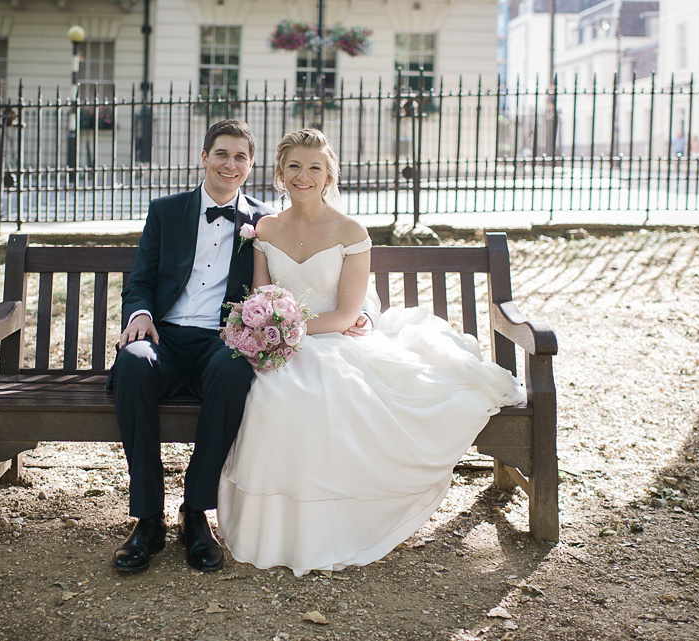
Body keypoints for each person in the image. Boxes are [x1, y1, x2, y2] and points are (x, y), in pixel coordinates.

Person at [216, 129, 525, 576]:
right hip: (285, 346)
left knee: (323, 391)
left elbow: (344, 313)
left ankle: (339, 525)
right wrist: (267, 330)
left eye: (314, 167)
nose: (304, 175)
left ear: (329, 175)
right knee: (271, 394)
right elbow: (264, 296)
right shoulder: (266, 229)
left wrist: (287, 332)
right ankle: (280, 532)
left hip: (335, 341)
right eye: (295, 167)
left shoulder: (350, 230)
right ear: (281, 173)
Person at [110, 120, 369, 574]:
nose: (230, 164)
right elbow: (141, 281)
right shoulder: (165, 211)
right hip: (163, 337)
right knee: (132, 365)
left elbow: (306, 278)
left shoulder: (264, 222)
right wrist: (141, 316)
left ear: (251, 166)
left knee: (236, 370)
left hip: (221, 340)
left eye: (240, 157)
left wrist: (360, 315)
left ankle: (195, 514)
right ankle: (147, 519)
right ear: (205, 158)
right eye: (222, 154)